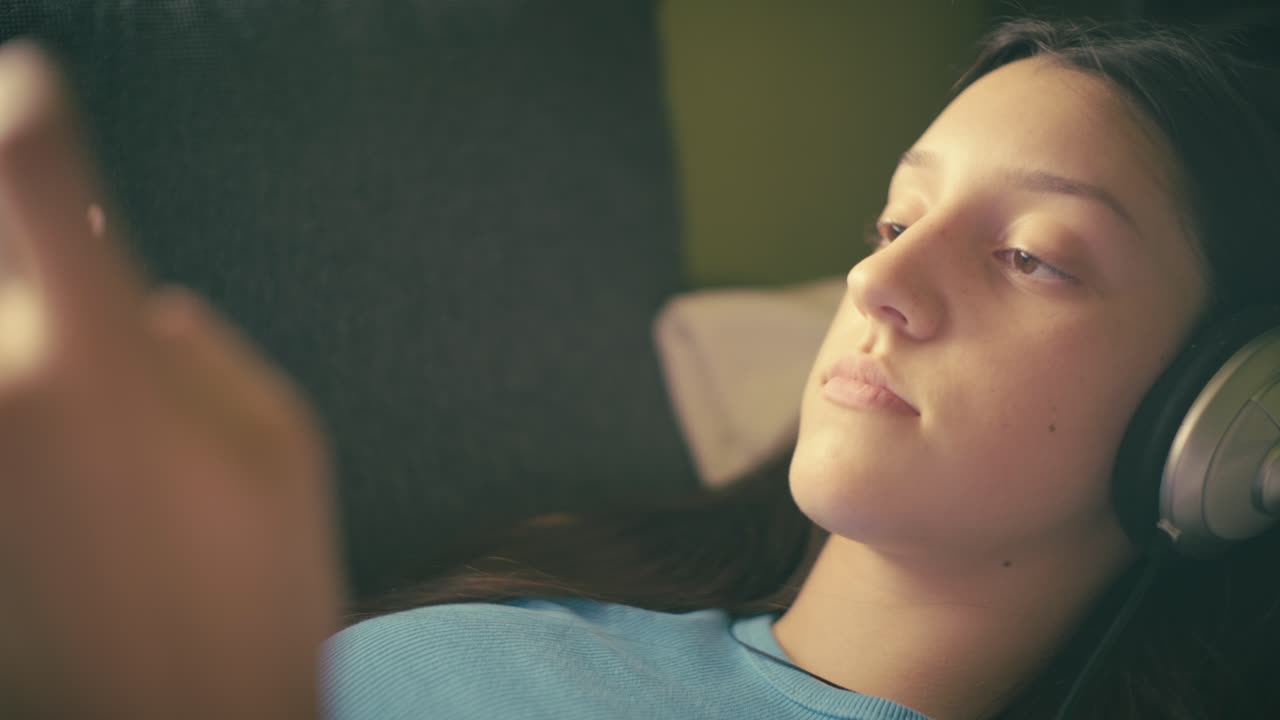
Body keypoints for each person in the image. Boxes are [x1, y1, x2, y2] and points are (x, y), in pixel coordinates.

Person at [0, 14, 1278, 720]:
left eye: (1028, 256)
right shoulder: (549, 604)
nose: (876, 283)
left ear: (1219, 425)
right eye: (893, 220)